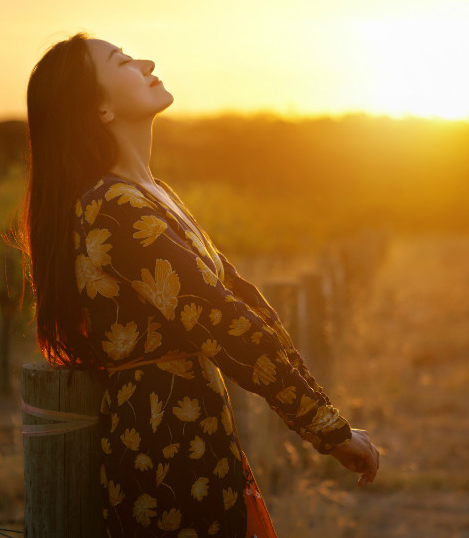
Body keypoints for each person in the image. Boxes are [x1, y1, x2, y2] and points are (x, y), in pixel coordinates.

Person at [20, 32, 379, 537]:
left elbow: (244, 303)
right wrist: (324, 428)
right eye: (122, 61)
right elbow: (221, 321)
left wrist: (323, 417)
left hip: (201, 443)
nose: (145, 62)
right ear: (99, 109)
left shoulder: (152, 194)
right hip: (164, 460)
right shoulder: (112, 208)